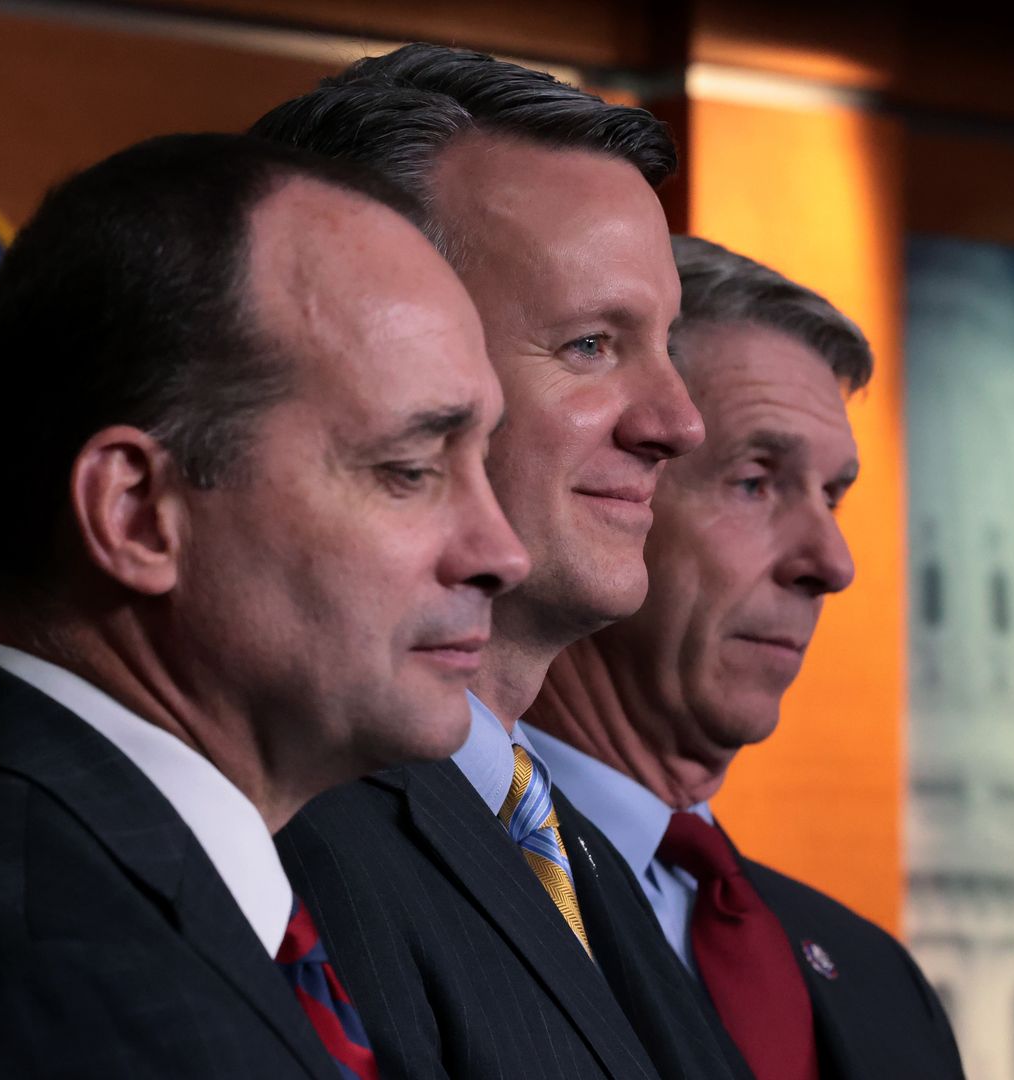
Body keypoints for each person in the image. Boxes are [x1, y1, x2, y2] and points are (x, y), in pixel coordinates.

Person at [0, 131, 528, 1077]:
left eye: (483, 461)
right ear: (137, 515)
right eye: (410, 470)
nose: (501, 553)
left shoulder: (61, 864)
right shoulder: (51, 980)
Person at [256, 45, 754, 1079]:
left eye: (665, 342)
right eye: (590, 346)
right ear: (382, 361)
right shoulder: (282, 837)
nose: (678, 422)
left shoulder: (579, 854)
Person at [524, 236, 965, 1080]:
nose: (831, 564)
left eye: (834, 495)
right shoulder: (418, 878)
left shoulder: (877, 980)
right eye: (756, 481)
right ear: (613, 490)